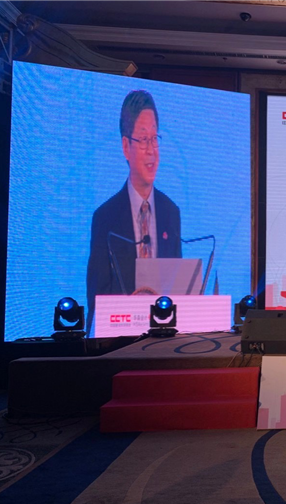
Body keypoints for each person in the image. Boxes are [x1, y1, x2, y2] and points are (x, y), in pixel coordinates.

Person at [86, 90, 182, 334]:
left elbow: (179, 293)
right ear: (126, 146)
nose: (151, 150)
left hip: (165, 341)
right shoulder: (105, 218)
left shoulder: (171, 212)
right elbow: (97, 299)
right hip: (120, 341)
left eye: (154, 138)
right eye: (143, 139)